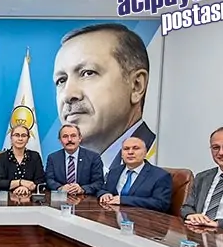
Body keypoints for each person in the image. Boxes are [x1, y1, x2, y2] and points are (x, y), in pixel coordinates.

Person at [53, 23, 154, 174]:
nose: (68, 95)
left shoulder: (165, 171)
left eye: (88, 73)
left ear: (136, 85)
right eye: (61, 80)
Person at [97, 137, 172, 213]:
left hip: (143, 217)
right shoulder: (114, 172)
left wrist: (123, 200)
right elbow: (103, 189)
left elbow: (161, 204)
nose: (130, 152)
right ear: (122, 154)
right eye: (126, 149)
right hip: (114, 216)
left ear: (145, 152)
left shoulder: (160, 176)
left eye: (136, 148)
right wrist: (104, 194)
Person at [45, 124, 104, 195]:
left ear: (80, 138)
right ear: (60, 140)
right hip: (60, 197)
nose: (69, 140)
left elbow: (98, 182)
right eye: (65, 136)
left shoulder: (93, 157)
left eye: (73, 136)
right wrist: (60, 188)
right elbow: (49, 180)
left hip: (85, 198)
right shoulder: (53, 158)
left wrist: (82, 189)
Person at [0, 125, 45, 195]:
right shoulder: (2, 157)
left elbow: (41, 181)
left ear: (28, 139)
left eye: (23, 135)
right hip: (7, 198)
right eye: (17, 135)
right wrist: (20, 182)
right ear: (11, 138)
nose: (20, 139)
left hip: (30, 197)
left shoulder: (35, 156)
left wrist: (25, 188)